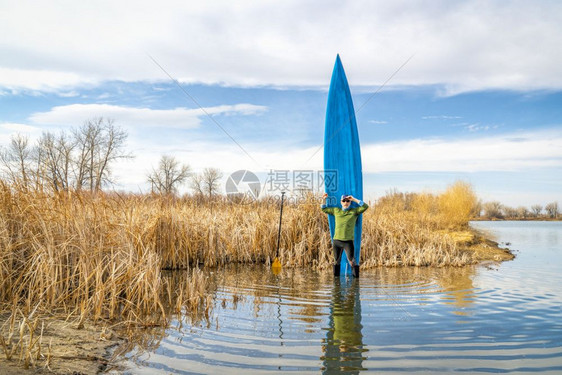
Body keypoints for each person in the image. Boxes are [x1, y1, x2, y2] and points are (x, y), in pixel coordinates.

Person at [321, 193, 369, 277]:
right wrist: (324, 199)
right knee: (336, 261)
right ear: (341, 202)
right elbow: (324, 209)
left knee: (352, 261)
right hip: (337, 241)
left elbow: (365, 206)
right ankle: (336, 283)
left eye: (347, 201)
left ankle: (355, 283)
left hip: (348, 242)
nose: (345, 202)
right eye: (344, 201)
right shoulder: (336, 210)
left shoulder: (354, 211)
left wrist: (354, 199)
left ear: (349, 202)